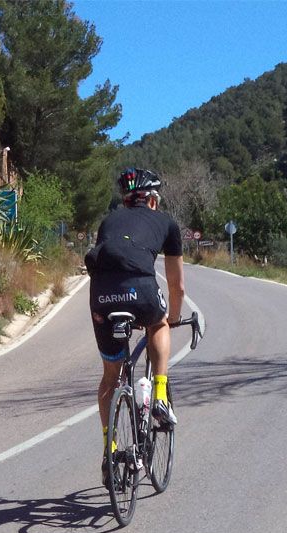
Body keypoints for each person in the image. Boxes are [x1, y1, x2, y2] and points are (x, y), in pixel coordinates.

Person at [84, 168, 184, 480]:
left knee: (110, 378)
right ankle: (161, 395)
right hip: (141, 291)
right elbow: (176, 286)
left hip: (101, 295)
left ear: (126, 201)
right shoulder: (167, 223)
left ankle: (110, 450)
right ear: (153, 200)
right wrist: (173, 317)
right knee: (158, 324)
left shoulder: (109, 221)